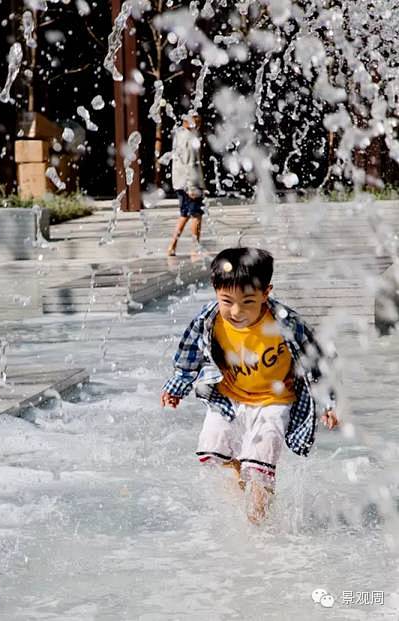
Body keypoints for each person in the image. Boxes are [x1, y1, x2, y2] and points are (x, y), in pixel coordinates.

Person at [160, 247, 339, 524]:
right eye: (227, 300)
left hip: (274, 401)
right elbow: (189, 356)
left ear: (266, 293)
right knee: (215, 450)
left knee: (260, 461)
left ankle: (258, 524)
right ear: (215, 289)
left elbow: (318, 360)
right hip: (228, 399)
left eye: (247, 301)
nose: (236, 311)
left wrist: (328, 402)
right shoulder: (209, 319)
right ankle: (240, 512)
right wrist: (178, 385)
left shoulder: (285, 322)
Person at [167, 113, 206, 257]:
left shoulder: (179, 135)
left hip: (179, 182)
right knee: (196, 215)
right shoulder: (189, 139)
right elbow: (190, 164)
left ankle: (172, 245)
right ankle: (195, 249)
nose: (199, 123)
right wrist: (192, 187)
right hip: (189, 184)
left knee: (184, 214)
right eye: (196, 120)